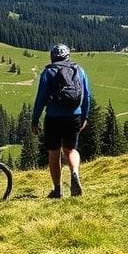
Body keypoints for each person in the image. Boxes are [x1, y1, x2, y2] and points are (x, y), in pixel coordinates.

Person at [32, 43, 91, 198]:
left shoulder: (48, 72)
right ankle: (75, 173)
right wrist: (84, 116)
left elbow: (41, 98)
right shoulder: (79, 70)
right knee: (71, 150)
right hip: (74, 116)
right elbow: (87, 96)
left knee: (54, 153)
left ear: (52, 56)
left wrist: (35, 119)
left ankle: (57, 190)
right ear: (68, 55)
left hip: (53, 117)